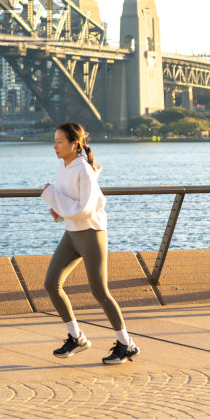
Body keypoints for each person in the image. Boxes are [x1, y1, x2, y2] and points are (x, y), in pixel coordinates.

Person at [39, 121, 139, 365]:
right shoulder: (63, 167)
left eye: (59, 141)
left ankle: (127, 344)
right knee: (52, 284)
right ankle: (76, 337)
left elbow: (85, 208)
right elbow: (70, 204)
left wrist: (52, 196)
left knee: (99, 292)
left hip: (92, 233)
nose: (55, 146)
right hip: (72, 233)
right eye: (55, 141)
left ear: (74, 144)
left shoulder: (84, 170)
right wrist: (60, 213)